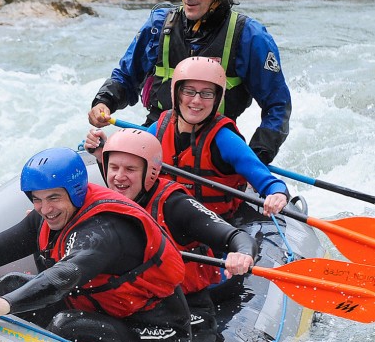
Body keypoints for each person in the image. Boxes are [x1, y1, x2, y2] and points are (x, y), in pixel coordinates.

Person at [0, 147, 190, 342]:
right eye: (37, 199)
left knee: (68, 325)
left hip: (158, 334)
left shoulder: (105, 229)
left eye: (54, 197)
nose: (46, 209)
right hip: (103, 313)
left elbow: (64, 275)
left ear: (75, 191)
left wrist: (5, 305)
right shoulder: (46, 216)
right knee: (9, 286)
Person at [88, 0, 291, 164]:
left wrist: (258, 155)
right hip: (157, 133)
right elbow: (126, 76)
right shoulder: (159, 24)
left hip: (216, 142)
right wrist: (104, 101)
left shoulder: (250, 36)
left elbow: (277, 105)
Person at [86, 128, 258, 342]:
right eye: (114, 168)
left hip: (186, 312)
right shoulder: (107, 197)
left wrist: (243, 253)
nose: (118, 177)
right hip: (137, 307)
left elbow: (236, 236)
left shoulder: (175, 205)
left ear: (150, 173)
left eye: (130, 169)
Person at [90, 56, 289, 224]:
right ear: (176, 93)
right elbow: (129, 173)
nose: (196, 100)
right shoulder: (158, 130)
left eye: (207, 93)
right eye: (188, 91)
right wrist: (102, 154)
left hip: (216, 228)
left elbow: (270, 183)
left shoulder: (225, 139)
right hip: (163, 223)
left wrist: (277, 195)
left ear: (217, 99)